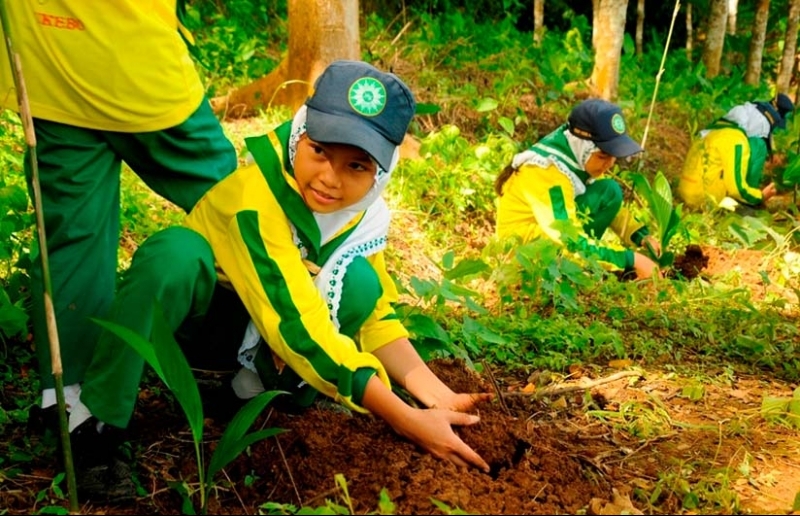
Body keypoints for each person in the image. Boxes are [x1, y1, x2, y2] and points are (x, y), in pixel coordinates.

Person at [64, 60, 492, 502]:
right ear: (300, 131)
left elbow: (375, 318)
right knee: (173, 255)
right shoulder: (256, 198)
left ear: (380, 173)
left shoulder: (362, 215)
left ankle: (246, 396)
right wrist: (403, 417)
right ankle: (97, 426)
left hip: (267, 328)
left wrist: (437, 395)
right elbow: (297, 324)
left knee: (360, 282)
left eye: (356, 166)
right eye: (320, 151)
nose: (330, 178)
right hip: (199, 327)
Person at [0, 2, 238, 434]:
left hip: (50, 57)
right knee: (235, 211)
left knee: (72, 232)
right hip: (136, 65)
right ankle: (233, 361)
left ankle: (65, 395)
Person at [494, 98, 660, 279]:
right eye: (603, 156)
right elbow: (567, 238)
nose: (610, 164)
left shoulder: (576, 157)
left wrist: (640, 236)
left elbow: (610, 202)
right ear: (583, 146)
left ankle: (584, 263)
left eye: (614, 157)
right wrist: (629, 259)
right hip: (526, 255)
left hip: (549, 236)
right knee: (575, 240)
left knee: (608, 190)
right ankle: (573, 269)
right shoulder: (549, 172)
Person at [677, 93, 795, 210]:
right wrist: (760, 196)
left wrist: (772, 152)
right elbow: (736, 189)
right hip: (704, 199)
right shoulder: (737, 141)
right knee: (758, 147)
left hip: (688, 191)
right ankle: (747, 204)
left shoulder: (717, 131)